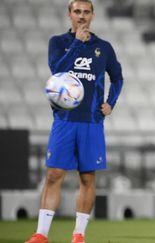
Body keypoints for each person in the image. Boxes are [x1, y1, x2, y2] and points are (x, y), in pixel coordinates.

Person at [25, 0, 123, 242]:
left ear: (93, 15)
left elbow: (118, 78)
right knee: (53, 175)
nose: (82, 16)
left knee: (88, 178)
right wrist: (78, 42)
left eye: (86, 12)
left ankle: (79, 234)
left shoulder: (104, 47)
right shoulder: (58, 42)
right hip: (64, 120)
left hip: (91, 122)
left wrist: (111, 102)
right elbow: (57, 70)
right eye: (77, 11)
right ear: (69, 14)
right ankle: (41, 234)